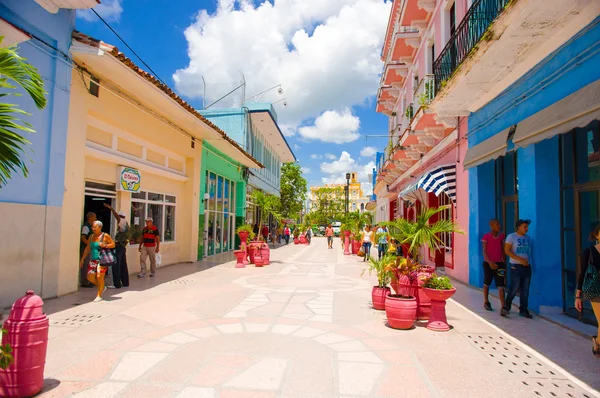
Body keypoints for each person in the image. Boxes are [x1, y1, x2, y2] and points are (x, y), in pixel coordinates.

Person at [575, 224, 600, 358]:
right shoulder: (589, 252)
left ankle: (597, 341)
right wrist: (578, 296)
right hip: (595, 292)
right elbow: (582, 273)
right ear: (596, 235)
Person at [502, 219, 533, 318]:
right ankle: (506, 307)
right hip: (516, 266)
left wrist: (527, 262)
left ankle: (523, 309)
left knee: (525, 289)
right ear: (518, 227)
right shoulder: (511, 237)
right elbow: (507, 250)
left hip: (526, 266)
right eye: (525, 227)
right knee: (514, 287)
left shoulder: (528, 238)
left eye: (527, 227)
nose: (526, 229)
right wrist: (520, 259)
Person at [79, 220, 115, 302]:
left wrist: (105, 245)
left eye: (95, 227)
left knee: (99, 276)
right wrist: (83, 259)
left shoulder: (105, 236)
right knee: (89, 277)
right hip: (93, 259)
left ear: (100, 227)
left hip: (102, 260)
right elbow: (88, 248)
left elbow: (113, 244)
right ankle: (102, 287)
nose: (93, 228)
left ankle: (99, 295)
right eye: (92, 227)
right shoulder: (91, 236)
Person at [481, 219, 506, 312]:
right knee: (487, 282)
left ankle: (503, 306)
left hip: (499, 263)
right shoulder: (486, 237)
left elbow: (503, 250)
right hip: (488, 263)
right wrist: (490, 262)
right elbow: (484, 251)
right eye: (497, 224)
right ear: (491, 226)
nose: (499, 226)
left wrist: (504, 263)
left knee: (501, 285)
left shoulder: (501, 237)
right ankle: (486, 302)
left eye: (499, 224)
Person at [104, 204, 130, 289]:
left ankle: (116, 284)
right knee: (123, 265)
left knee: (116, 265)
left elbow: (117, 217)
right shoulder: (126, 223)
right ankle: (125, 282)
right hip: (122, 247)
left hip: (118, 247)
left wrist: (111, 208)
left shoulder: (121, 221)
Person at [79, 212, 96, 288]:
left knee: (90, 265)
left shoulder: (91, 226)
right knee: (86, 265)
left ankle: (89, 280)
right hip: (86, 249)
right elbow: (83, 238)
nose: (95, 219)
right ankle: (85, 282)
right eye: (94, 217)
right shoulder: (86, 227)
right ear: (91, 217)